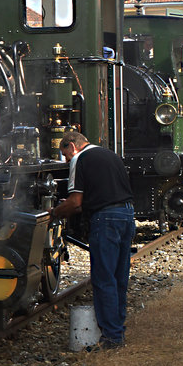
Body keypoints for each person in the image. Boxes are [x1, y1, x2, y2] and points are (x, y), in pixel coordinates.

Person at [50, 130, 134, 350]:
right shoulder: (111, 155)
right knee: (119, 277)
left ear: (71, 146)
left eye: (65, 155)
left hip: (105, 219)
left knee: (104, 278)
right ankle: (118, 330)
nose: (67, 160)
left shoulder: (80, 158)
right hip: (127, 215)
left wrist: (56, 212)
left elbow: (76, 202)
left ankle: (112, 338)